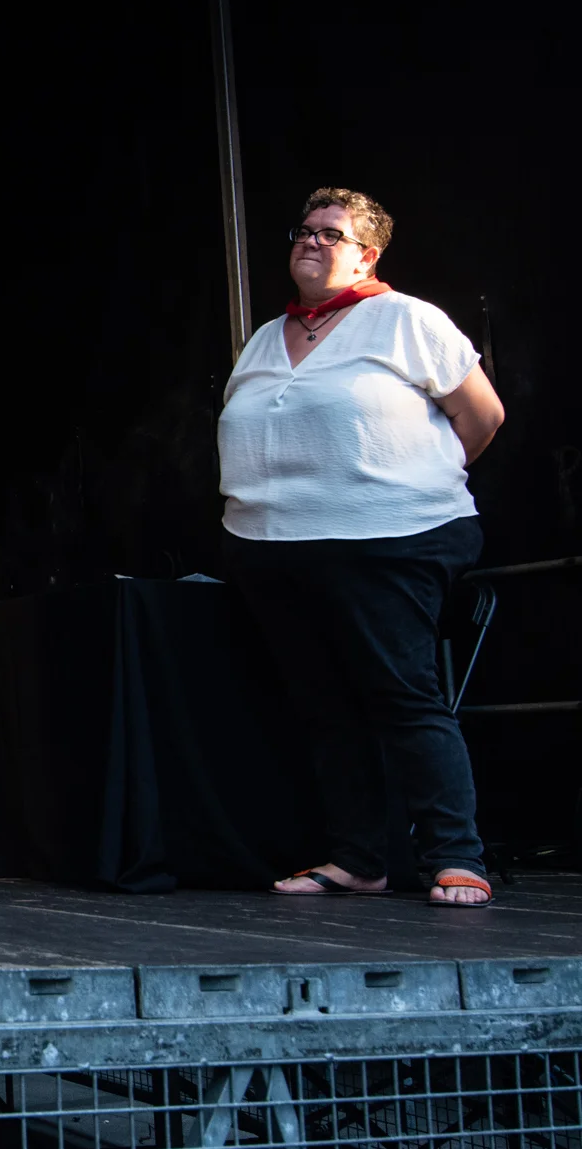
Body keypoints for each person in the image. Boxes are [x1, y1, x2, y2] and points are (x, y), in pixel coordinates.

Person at [218, 188, 505, 908]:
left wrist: (408, 481)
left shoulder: (406, 318)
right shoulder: (266, 335)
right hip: (274, 546)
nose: (310, 241)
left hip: (388, 540)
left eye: (330, 233)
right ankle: (358, 858)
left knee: (404, 695)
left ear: (367, 254)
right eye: (303, 231)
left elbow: (482, 416)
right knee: (325, 708)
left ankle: (455, 853)